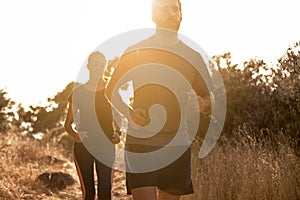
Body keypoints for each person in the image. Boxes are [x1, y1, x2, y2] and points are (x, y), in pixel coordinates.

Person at [105, 0, 213, 199]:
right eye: (165, 9)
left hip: (177, 143)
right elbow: (111, 89)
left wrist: (202, 103)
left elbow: (209, 98)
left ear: (182, 15)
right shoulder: (135, 51)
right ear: (153, 15)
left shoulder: (193, 57)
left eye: (176, 9)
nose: (172, 13)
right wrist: (128, 111)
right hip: (141, 141)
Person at [64, 51, 120, 200]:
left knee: (105, 192)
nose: (98, 68)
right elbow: (68, 124)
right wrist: (76, 136)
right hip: (84, 148)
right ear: (88, 66)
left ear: (105, 67)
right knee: (89, 194)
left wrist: (117, 134)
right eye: (95, 64)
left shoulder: (110, 91)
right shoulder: (78, 92)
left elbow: (118, 121)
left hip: (106, 147)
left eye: (101, 65)